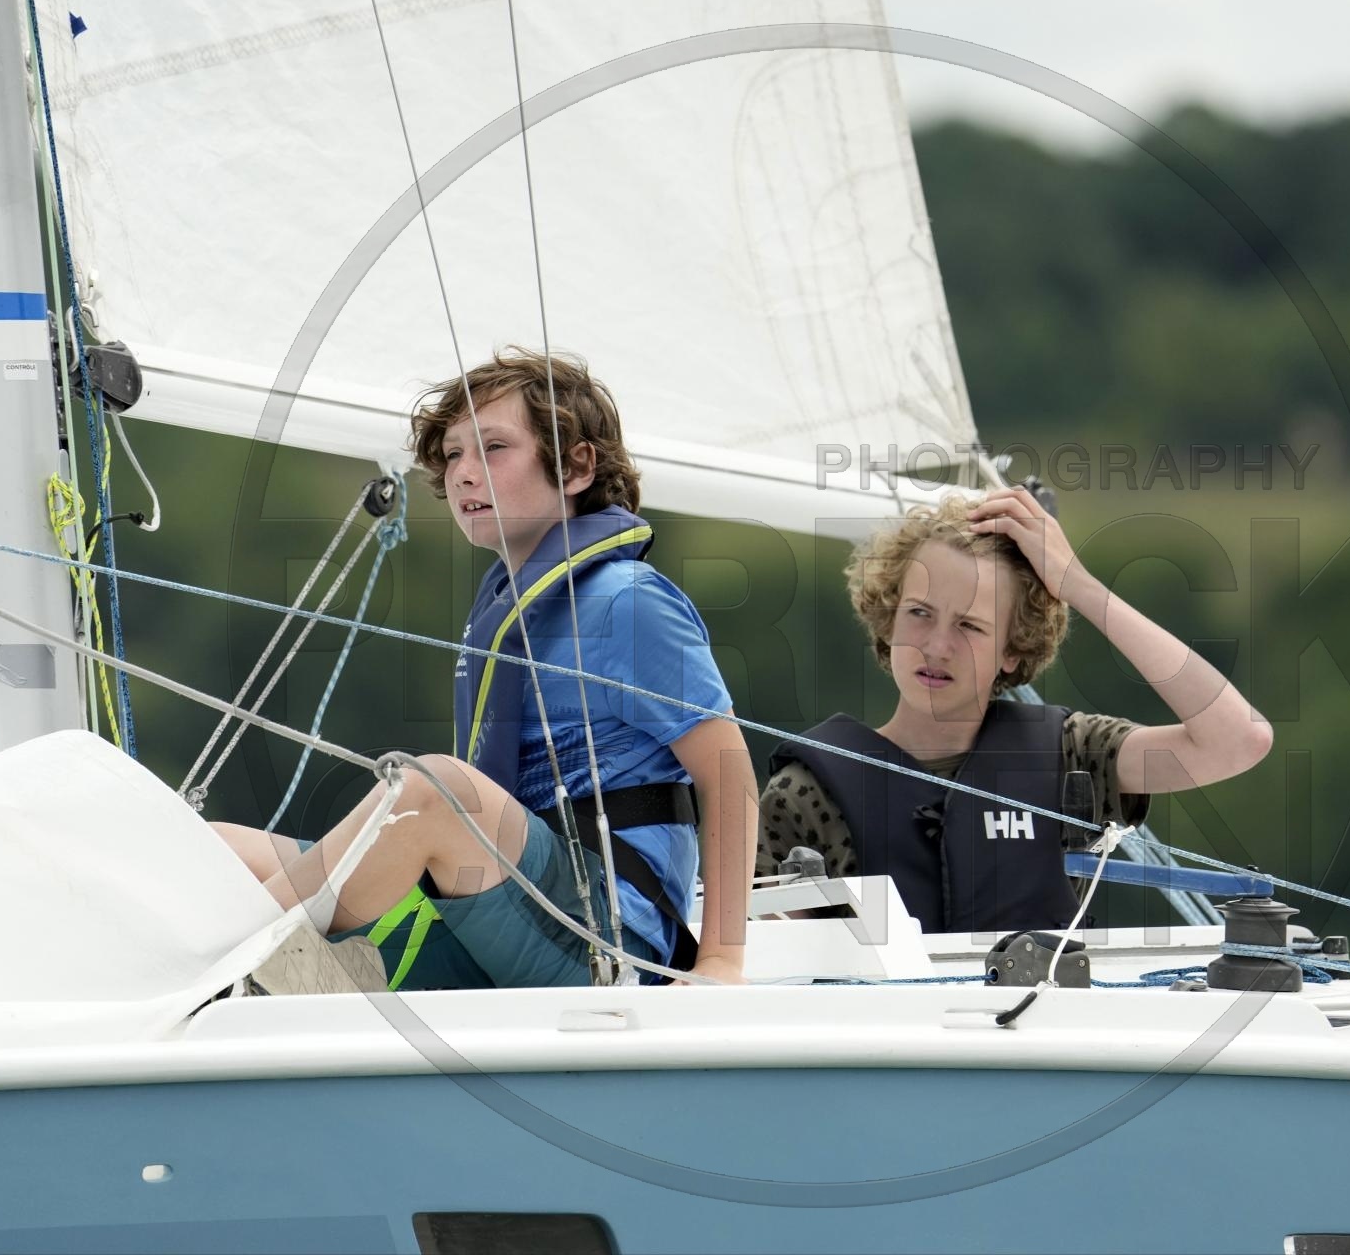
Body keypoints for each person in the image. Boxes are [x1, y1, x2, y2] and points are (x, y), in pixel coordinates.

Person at [216, 349, 754, 987]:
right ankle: (269, 958)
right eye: (453, 455)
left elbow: (728, 771)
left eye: (493, 448)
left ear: (577, 466)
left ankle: (226, 971)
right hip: (496, 896)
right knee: (217, 849)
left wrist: (722, 960)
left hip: (602, 932)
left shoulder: (628, 601)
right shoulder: (510, 607)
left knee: (433, 789)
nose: (464, 474)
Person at [757, 488, 1272, 933]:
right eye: (919, 613)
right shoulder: (806, 791)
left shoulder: (1073, 756)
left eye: (970, 626)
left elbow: (1238, 739)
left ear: (1013, 648)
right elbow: (757, 959)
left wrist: (1078, 585)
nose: (937, 646)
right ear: (888, 622)